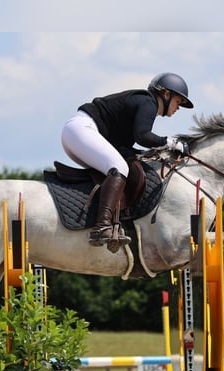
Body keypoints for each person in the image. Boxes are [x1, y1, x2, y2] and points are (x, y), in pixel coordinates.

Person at [61, 72, 193, 248]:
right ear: (166, 94)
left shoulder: (143, 104)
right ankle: (102, 227)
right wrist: (171, 143)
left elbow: (125, 147)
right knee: (119, 167)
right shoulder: (148, 102)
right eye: (178, 101)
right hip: (82, 130)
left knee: (117, 166)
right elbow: (143, 136)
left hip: (77, 133)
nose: (178, 108)